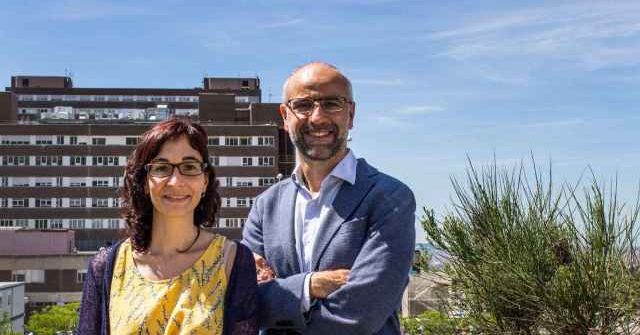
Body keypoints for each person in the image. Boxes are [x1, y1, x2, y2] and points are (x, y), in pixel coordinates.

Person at [242, 62, 416, 334]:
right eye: (303, 105)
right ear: (284, 116)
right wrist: (309, 286)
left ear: (351, 114)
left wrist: (280, 298)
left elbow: (362, 314)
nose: (318, 117)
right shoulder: (266, 206)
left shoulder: (390, 198)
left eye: (332, 103)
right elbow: (244, 302)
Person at [77, 117, 258, 335]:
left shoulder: (233, 261)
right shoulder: (106, 267)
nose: (175, 181)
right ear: (144, 182)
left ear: (205, 181)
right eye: (162, 168)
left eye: (189, 167)